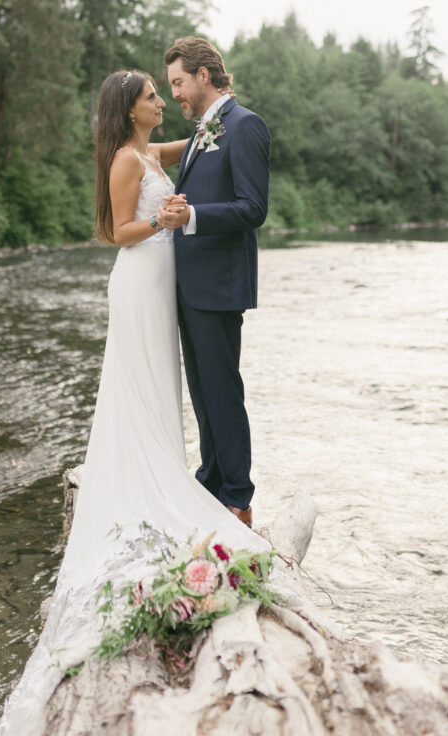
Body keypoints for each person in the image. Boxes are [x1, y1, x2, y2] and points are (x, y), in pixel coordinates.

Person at [0, 68, 267, 736]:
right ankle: (150, 485)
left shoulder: (155, 150)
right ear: (129, 108)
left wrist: (213, 121)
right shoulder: (125, 158)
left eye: (166, 89)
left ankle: (178, 476)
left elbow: (203, 141)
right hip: (141, 275)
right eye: (152, 94)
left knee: (160, 385)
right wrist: (164, 218)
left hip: (167, 279)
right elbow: (115, 232)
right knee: (140, 379)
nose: (160, 100)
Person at [162, 38, 271, 529]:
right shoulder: (203, 131)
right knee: (203, 393)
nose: (177, 94)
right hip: (190, 285)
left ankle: (238, 500)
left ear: (204, 76)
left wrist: (192, 216)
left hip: (220, 284)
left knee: (223, 391)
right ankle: (209, 482)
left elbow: (253, 209)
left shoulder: (245, 126)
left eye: (179, 83)